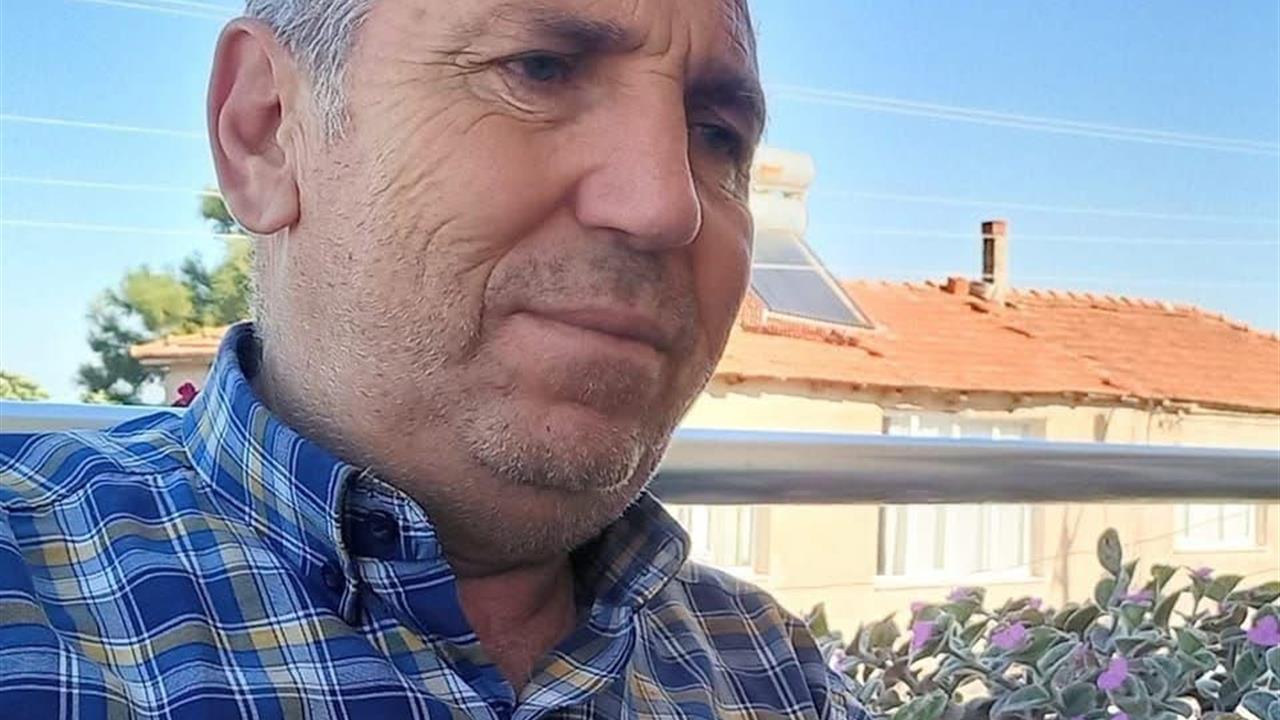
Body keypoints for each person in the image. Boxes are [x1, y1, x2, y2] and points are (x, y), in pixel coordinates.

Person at [0, 1, 864, 717]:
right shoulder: (26, 597)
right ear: (267, 133)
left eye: (716, 135)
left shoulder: (772, 669)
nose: (666, 206)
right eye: (538, 71)